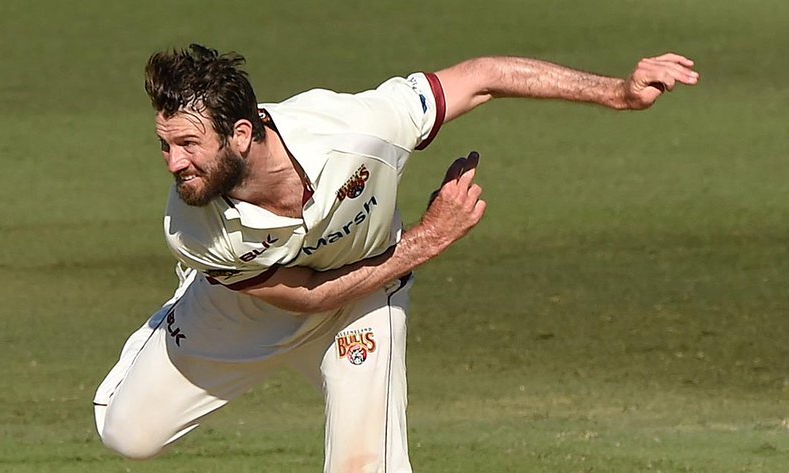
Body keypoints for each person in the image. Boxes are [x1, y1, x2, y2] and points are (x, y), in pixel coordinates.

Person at [93, 44, 698, 472]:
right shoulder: (191, 223)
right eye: (165, 145)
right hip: (247, 313)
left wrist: (617, 93)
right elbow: (306, 294)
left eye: (187, 145)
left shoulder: (358, 128)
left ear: (243, 135)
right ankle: (171, 318)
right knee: (129, 437)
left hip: (363, 301)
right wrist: (430, 238)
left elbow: (482, 76)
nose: (173, 164)